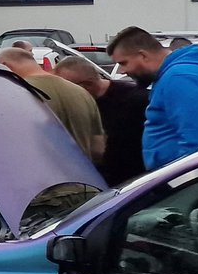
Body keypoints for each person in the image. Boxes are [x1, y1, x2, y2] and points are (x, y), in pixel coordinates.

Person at [107, 27, 198, 172]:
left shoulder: (179, 79)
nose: (122, 71)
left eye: (124, 63)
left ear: (143, 56)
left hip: (184, 182)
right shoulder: (184, 73)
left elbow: (197, 147)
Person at [0, 48, 105, 161]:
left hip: (39, 176)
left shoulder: (15, 92)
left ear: (5, 65)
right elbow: (98, 147)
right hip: (83, 175)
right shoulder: (82, 93)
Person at [55, 55, 149, 185]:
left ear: (88, 84)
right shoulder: (71, 105)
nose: (64, 94)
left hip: (135, 181)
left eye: (67, 88)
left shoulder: (136, 101)